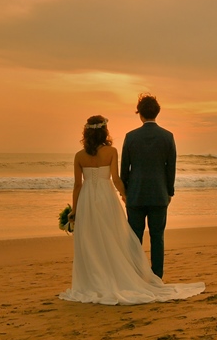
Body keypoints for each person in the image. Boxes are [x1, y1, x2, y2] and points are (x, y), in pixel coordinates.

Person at [58, 115, 204, 305]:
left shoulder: (79, 156)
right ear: (104, 131)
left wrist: (74, 210)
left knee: (90, 239)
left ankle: (93, 280)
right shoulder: (111, 151)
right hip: (106, 198)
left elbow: (77, 185)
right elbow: (116, 179)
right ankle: (122, 275)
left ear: (86, 133)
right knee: (111, 238)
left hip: (86, 199)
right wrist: (125, 195)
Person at [121, 93, 176, 279]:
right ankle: (157, 277)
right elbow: (171, 169)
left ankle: (136, 276)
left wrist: (125, 192)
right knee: (157, 238)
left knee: (135, 239)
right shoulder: (167, 137)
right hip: (159, 194)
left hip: (135, 195)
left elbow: (124, 170)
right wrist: (169, 192)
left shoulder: (130, 137)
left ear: (140, 114)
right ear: (157, 113)